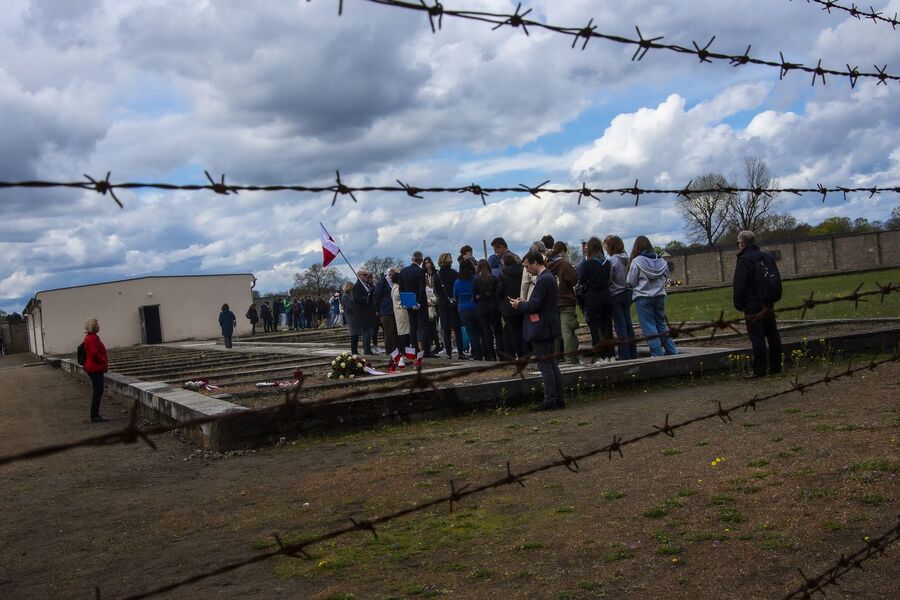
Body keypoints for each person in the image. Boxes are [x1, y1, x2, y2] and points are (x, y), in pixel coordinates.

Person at [511, 251, 563, 411]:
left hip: (541, 328)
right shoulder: (549, 277)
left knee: (545, 365)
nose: (527, 270)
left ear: (535, 262)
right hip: (549, 325)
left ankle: (550, 398)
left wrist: (520, 305)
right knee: (552, 364)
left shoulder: (543, 280)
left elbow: (535, 305)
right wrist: (526, 302)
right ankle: (558, 398)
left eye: (527, 266)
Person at [733, 230, 782, 378]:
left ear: (742, 243)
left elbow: (739, 284)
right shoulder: (767, 257)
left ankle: (759, 369)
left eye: (738, 243)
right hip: (768, 301)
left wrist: (739, 303)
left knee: (757, 337)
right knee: (772, 334)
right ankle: (775, 366)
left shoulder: (744, 260)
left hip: (752, 303)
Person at [627, 236, 677, 357]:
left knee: (649, 327)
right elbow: (666, 276)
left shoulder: (637, 261)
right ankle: (672, 351)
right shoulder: (662, 261)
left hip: (643, 297)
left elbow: (631, 281)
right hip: (659, 296)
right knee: (661, 325)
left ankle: (657, 353)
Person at [579, 237, 615, 362]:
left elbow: (581, 279)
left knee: (596, 327)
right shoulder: (607, 263)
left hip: (593, 297)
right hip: (606, 295)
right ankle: (611, 354)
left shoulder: (588, 264)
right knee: (608, 326)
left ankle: (602, 355)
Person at [546, 241, 580, 366]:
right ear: (563, 251)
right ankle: (571, 359)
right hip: (566, 301)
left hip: (552, 302)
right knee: (568, 331)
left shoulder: (548, 266)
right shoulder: (565, 265)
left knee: (556, 332)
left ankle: (555, 358)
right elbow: (573, 280)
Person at [605, 235, 638, 360]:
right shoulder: (628, 259)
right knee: (628, 324)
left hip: (616, 294)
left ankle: (624, 354)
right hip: (627, 292)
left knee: (620, 326)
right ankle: (632, 352)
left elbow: (609, 279)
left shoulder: (612, 260)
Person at [434, 252, 466, 359]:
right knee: (457, 330)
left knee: (446, 330)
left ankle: (448, 353)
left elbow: (437, 290)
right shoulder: (455, 274)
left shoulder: (437, 275)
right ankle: (460, 352)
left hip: (443, 304)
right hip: (454, 303)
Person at [400, 251, 430, 363]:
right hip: (419, 305)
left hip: (408, 303)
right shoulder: (420, 271)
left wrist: (405, 302)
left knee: (412, 327)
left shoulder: (403, 271)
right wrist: (418, 302)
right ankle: (424, 349)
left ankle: (414, 349)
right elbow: (421, 288)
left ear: (412, 259)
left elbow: (401, 289)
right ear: (421, 260)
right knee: (422, 326)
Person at [453, 257, 483, 360]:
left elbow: (455, 296)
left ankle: (477, 356)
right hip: (476, 306)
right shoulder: (475, 278)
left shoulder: (457, 282)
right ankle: (486, 353)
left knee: (472, 333)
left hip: (463, 309)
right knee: (482, 332)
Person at [498, 252, 525, 359]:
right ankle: (528, 352)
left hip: (509, 306)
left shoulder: (503, 274)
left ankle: (519, 354)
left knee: (515, 332)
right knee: (524, 329)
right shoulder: (523, 271)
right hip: (522, 303)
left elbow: (500, 292)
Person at [473, 259, 502, 361]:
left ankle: (490, 356)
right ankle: (501, 354)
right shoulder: (493, 278)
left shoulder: (476, 280)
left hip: (482, 307)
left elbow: (474, 295)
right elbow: (497, 292)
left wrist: (479, 299)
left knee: (487, 332)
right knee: (498, 332)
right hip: (494, 306)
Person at [82, 318, 109, 422]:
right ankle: (95, 415)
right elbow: (94, 353)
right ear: (93, 326)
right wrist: (103, 361)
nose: (99, 326)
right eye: (97, 325)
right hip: (95, 367)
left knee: (97, 391)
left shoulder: (90, 337)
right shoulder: (92, 338)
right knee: (98, 391)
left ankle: (95, 414)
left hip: (93, 367)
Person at [374, 267, 398, 360]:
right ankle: (389, 350)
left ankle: (396, 349)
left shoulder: (394, 282)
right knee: (388, 332)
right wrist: (377, 310)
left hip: (395, 309)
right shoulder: (382, 282)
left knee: (395, 331)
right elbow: (376, 296)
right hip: (386, 310)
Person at [389, 270, 410, 371]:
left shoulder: (394, 288)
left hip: (398, 312)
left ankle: (404, 349)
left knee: (403, 331)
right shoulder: (397, 289)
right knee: (404, 332)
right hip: (402, 312)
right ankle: (404, 350)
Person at [350, 270, 375, 355]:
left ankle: (367, 349)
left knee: (368, 331)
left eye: (366, 275)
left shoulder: (366, 285)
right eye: (364, 275)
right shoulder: (357, 286)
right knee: (368, 331)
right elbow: (357, 299)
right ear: (359, 276)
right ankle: (367, 350)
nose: (366, 276)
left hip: (368, 312)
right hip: (363, 313)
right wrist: (366, 298)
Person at [423, 256, 443, 355]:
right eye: (426, 263)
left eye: (429, 262)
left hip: (437, 300)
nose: (427, 264)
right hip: (428, 301)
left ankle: (441, 343)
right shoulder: (423, 275)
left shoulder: (436, 274)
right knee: (431, 325)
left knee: (439, 323)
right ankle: (435, 344)